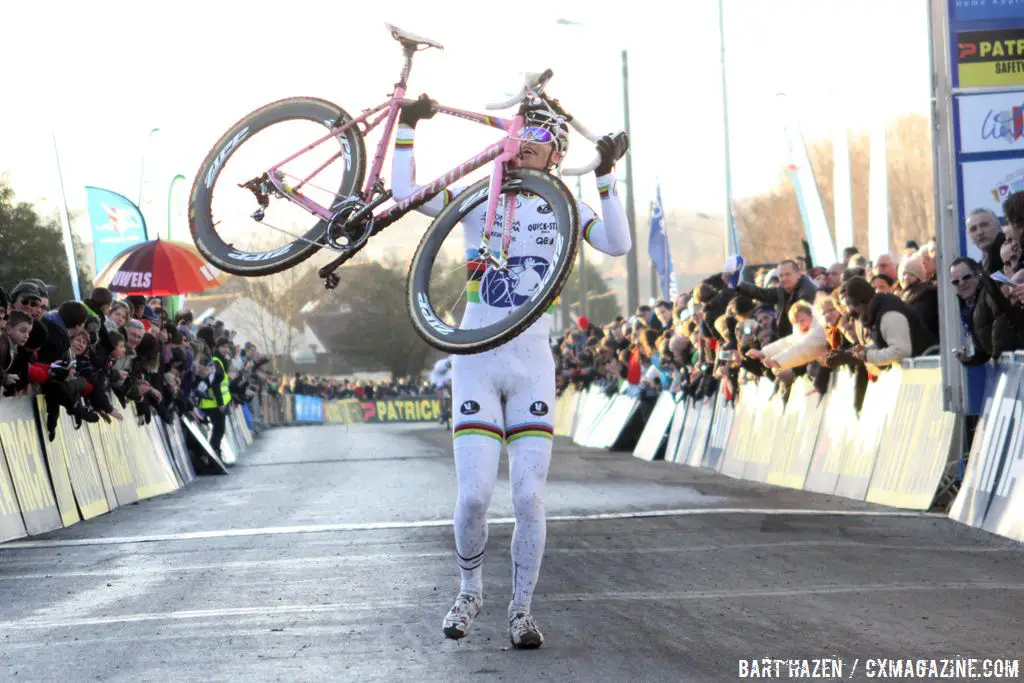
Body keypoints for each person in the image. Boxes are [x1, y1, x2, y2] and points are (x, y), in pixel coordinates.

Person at [392, 94, 631, 648]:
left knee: (528, 498)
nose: (531, 145)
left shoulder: (564, 206)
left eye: (544, 140)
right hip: (476, 359)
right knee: (475, 497)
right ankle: (469, 589)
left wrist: (606, 177)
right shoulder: (485, 196)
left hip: (532, 365)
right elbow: (408, 196)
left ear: (558, 154)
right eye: (526, 134)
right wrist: (407, 129)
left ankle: (521, 610)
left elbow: (617, 243)